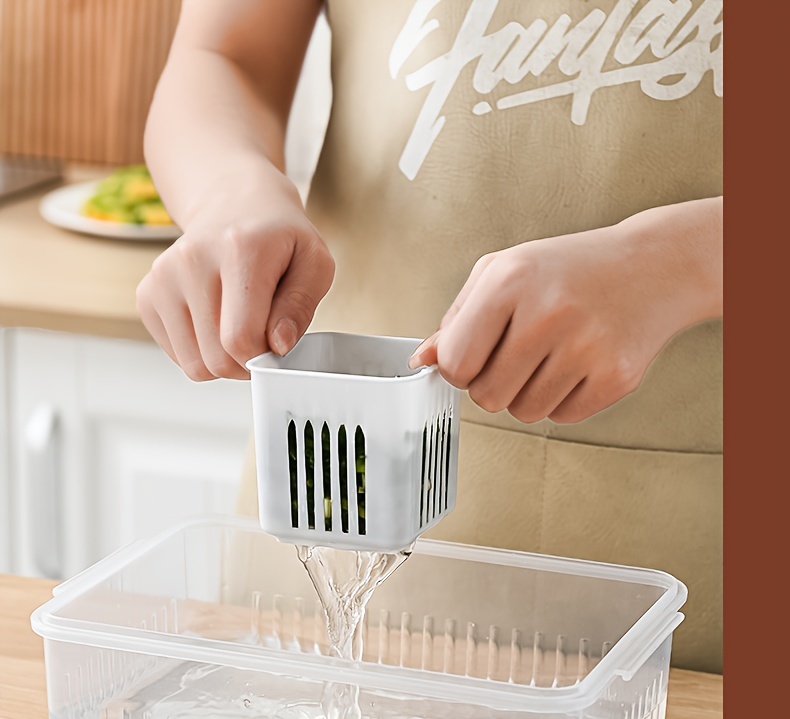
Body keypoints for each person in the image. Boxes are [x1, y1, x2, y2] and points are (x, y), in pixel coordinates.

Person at [136, 0, 723, 670]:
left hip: (710, 566)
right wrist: (229, 193)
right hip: (328, 511)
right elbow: (223, 55)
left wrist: (682, 262)